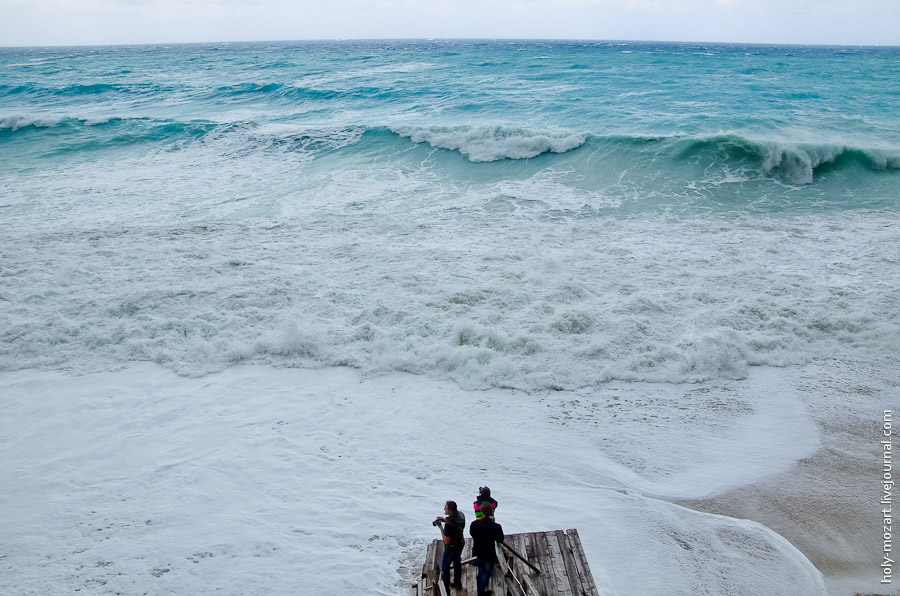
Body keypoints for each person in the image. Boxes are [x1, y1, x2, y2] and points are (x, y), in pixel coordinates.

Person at [469, 501, 504, 596]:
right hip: (489, 553)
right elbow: (500, 539)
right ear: (492, 512)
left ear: (482, 512)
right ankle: (481, 592)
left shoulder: (474, 524)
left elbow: (472, 533)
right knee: (487, 573)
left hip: (478, 552)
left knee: (481, 572)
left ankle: (481, 591)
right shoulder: (496, 526)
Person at [435, 500, 466, 590]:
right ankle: (457, 583)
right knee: (457, 563)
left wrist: (440, 527)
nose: (444, 508)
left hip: (452, 548)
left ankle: (446, 589)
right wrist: (445, 520)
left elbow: (446, 541)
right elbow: (457, 525)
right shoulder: (460, 515)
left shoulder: (448, 525)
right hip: (460, 543)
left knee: (445, 568)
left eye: (445, 507)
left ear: (450, 510)